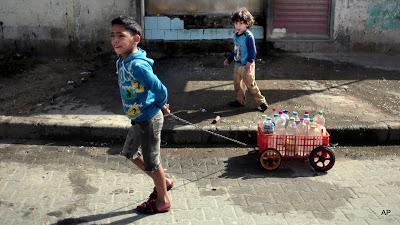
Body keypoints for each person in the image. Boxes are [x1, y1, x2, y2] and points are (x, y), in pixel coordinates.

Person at [111, 15, 172, 214]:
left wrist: (162, 104)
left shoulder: (137, 65)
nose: (115, 40)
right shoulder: (122, 60)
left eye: (121, 36)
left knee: (153, 163)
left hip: (149, 120)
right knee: (129, 153)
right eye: (113, 36)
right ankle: (164, 181)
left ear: (135, 39)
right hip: (138, 119)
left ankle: (163, 201)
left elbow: (160, 88)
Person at [224, 8, 268, 112]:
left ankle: (261, 102)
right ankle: (240, 101)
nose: (237, 26)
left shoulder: (249, 36)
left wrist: (249, 63)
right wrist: (229, 59)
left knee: (251, 85)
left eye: (241, 23)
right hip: (237, 64)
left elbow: (253, 52)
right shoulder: (235, 36)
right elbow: (235, 50)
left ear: (247, 24)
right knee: (237, 85)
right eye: (236, 23)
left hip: (247, 65)